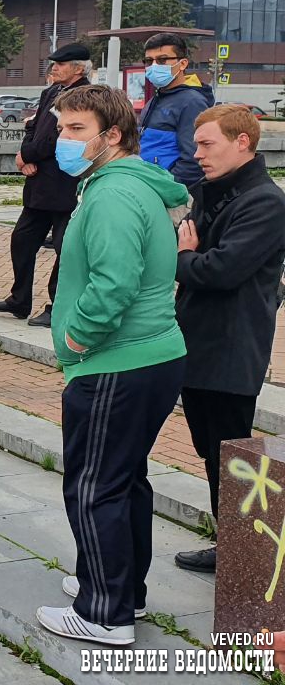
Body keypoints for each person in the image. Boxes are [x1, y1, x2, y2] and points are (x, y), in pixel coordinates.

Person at [37, 85, 188, 646]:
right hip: (149, 356)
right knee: (125, 481)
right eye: (61, 128)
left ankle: (104, 613)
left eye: (77, 130)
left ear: (112, 136)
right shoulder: (124, 185)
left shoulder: (112, 195)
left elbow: (114, 283)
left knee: (95, 485)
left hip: (116, 362)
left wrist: (77, 339)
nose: (64, 140)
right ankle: (121, 589)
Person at [171, 105, 285, 573]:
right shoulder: (215, 192)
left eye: (207, 144)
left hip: (231, 348)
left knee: (233, 451)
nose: (197, 154)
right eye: (196, 144)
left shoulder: (264, 202)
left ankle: (250, 555)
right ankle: (238, 546)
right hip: (200, 340)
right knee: (213, 448)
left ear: (243, 143)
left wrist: (182, 256)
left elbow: (220, 270)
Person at [0, 44, 93, 328]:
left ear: (79, 68)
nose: (54, 67)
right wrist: (24, 155)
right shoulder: (51, 92)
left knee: (65, 247)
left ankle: (57, 305)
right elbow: (33, 127)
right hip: (39, 183)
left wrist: (29, 155)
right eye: (53, 62)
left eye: (61, 63)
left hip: (64, 183)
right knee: (22, 240)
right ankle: (19, 299)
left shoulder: (85, 96)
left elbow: (62, 137)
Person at [138, 32, 214, 190]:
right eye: (148, 61)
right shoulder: (157, 98)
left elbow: (194, 159)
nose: (154, 66)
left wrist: (166, 188)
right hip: (147, 185)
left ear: (183, 64)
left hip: (167, 193)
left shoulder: (192, 102)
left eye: (162, 60)